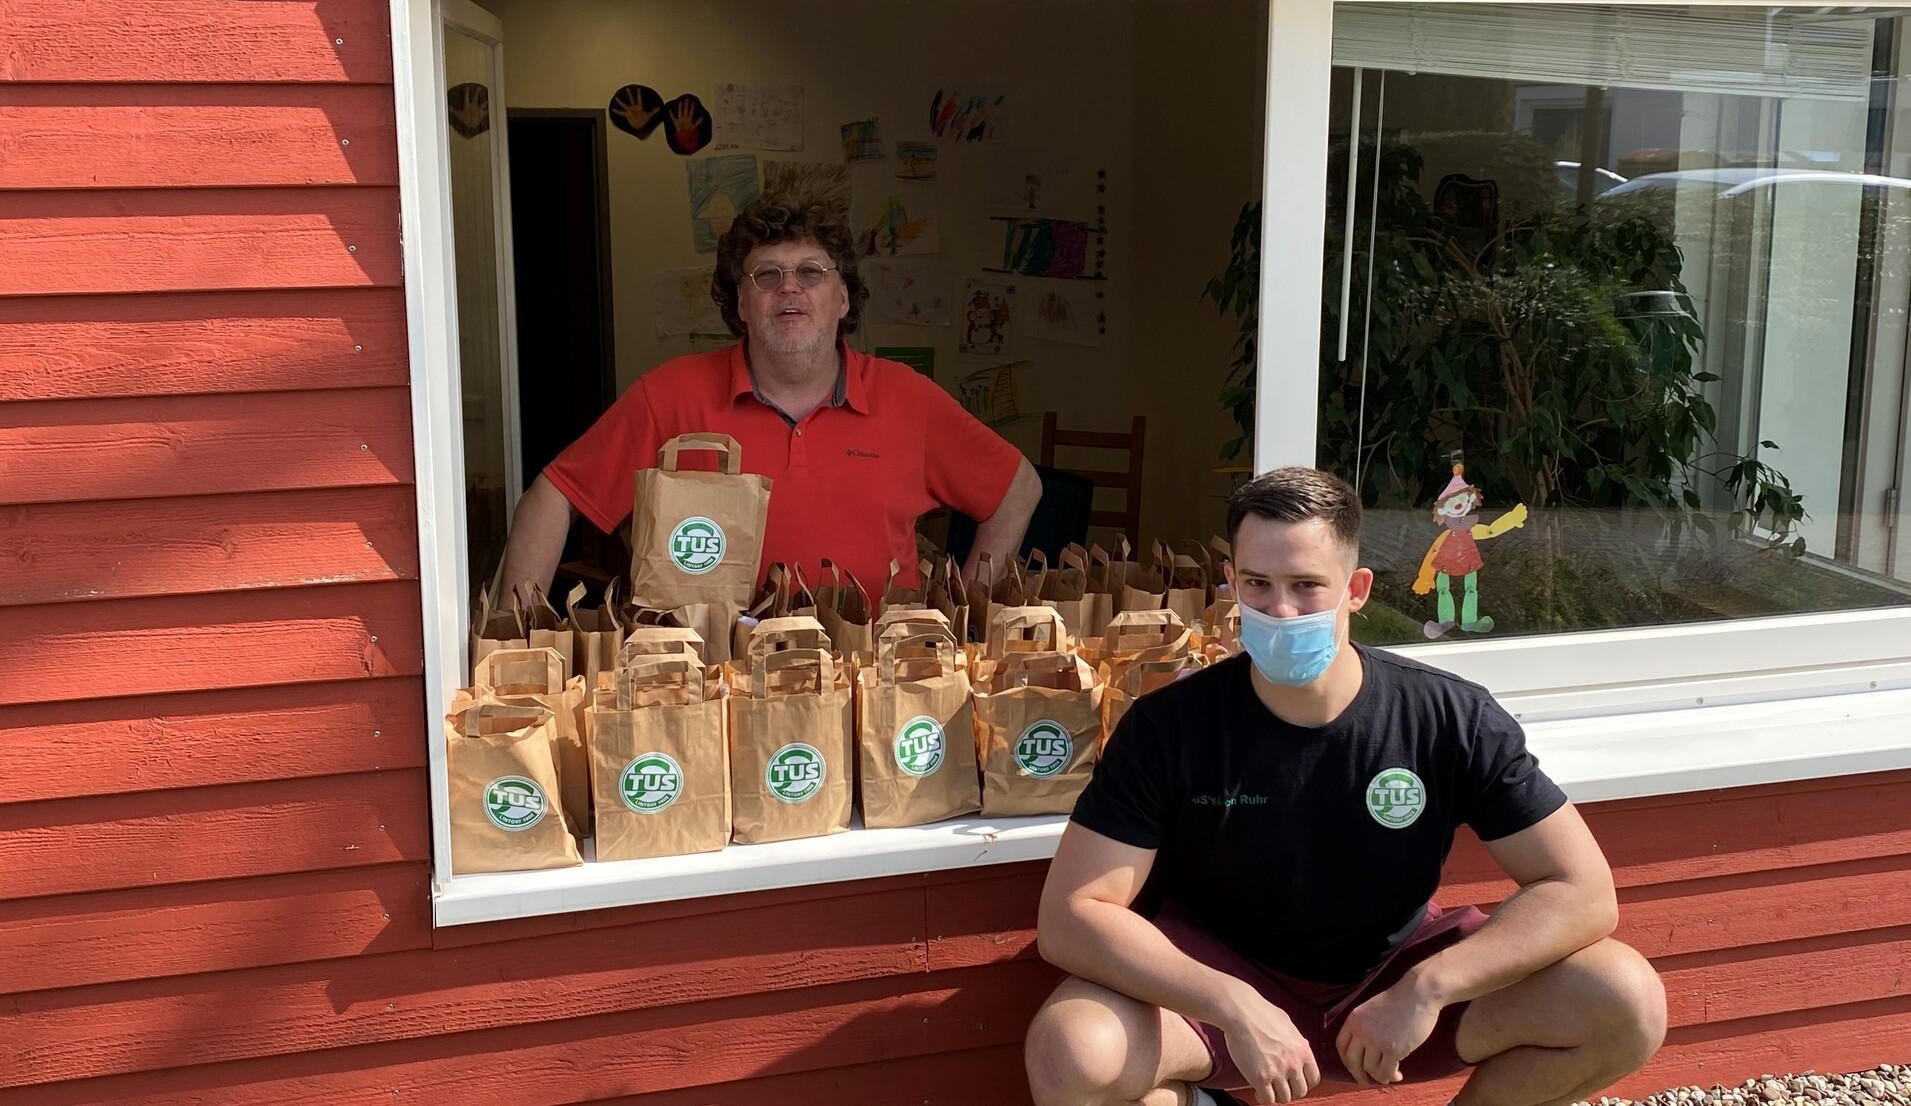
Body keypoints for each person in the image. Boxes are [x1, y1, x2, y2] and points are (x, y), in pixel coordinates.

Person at [1024, 468, 1665, 1106]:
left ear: (1356, 589)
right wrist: (1231, 1002)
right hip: (1216, 984)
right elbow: (1071, 916)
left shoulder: (1449, 717)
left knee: (1625, 999)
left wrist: (1429, 986)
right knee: (1071, 1050)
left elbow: (1582, 890)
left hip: (1390, 976)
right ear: (1231, 585)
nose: (1280, 610)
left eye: (1306, 586)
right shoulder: (1169, 727)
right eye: (1258, 584)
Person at [499, 195, 1042, 599]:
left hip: (876, 690)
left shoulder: (908, 399)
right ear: (739, 300)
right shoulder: (669, 396)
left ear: (843, 297)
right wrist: (512, 643)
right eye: (766, 275)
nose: (790, 287)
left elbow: (1017, 488)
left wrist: (969, 611)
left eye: (811, 272)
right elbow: (556, 495)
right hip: (717, 692)